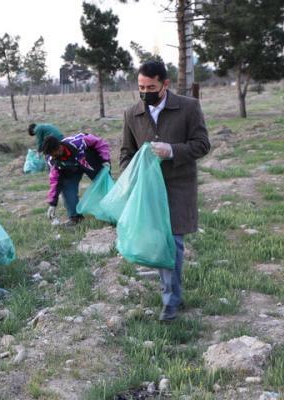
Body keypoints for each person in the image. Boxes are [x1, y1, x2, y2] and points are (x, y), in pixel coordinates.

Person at [120, 61, 210, 321]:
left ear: (165, 84)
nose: (145, 91)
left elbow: (202, 145)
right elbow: (126, 153)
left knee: (174, 243)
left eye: (151, 87)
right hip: (147, 190)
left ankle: (171, 301)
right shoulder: (131, 114)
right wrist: (133, 174)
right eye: (140, 87)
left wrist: (171, 150)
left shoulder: (189, 107)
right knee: (157, 242)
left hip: (178, 186)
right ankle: (170, 289)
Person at [43, 132, 110, 226]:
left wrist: (105, 160)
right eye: (51, 155)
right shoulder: (52, 160)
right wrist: (52, 203)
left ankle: (111, 210)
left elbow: (100, 143)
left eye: (55, 153)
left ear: (59, 147)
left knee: (103, 184)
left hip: (89, 161)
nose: (54, 157)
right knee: (67, 188)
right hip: (70, 169)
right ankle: (75, 217)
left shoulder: (77, 142)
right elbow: (54, 181)